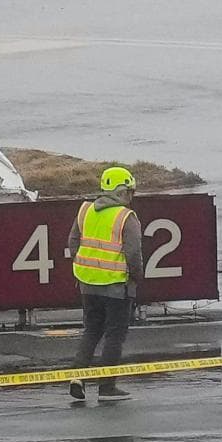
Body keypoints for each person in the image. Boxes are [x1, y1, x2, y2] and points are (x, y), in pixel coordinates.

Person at [67, 166, 143, 402]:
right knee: (114, 335)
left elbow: (73, 242)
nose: (131, 197)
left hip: (87, 284)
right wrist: (136, 278)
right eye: (130, 192)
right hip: (117, 286)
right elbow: (134, 254)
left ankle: (77, 378)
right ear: (122, 191)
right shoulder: (126, 218)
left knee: (91, 330)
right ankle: (107, 386)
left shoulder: (85, 211)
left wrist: (85, 266)